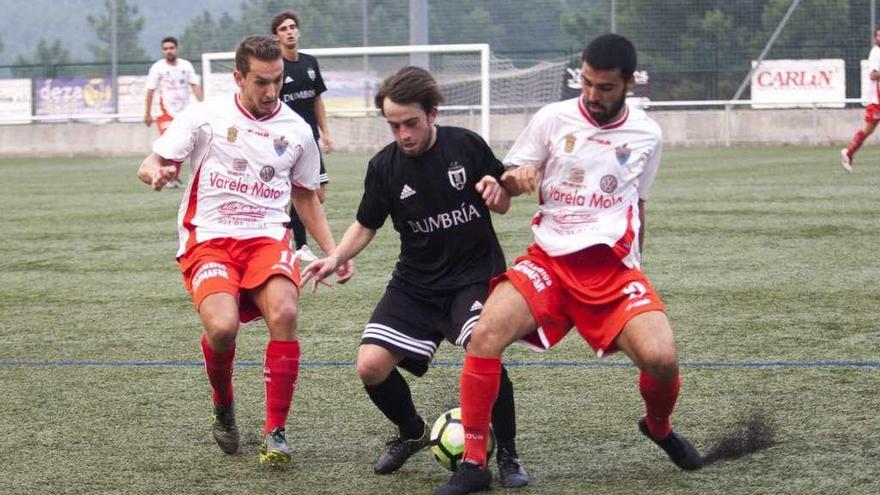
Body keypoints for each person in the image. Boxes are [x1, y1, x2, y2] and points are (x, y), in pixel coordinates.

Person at [434, 34, 702, 495]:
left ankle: (658, 426)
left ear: (629, 84)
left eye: (606, 88)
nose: (593, 96)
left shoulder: (647, 134)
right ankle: (474, 463)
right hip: (549, 262)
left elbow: (638, 202)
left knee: (661, 359)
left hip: (612, 270)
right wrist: (512, 182)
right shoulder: (552, 119)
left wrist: (637, 263)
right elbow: (510, 179)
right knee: (485, 335)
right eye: (588, 83)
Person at [302, 66, 529, 488]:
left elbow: (503, 196)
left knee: (485, 348)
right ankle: (411, 431)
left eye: (411, 123)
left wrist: (500, 195)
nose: (403, 134)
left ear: (433, 113)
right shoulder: (384, 167)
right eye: (394, 125)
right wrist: (334, 257)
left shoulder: (466, 146)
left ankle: (509, 454)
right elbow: (366, 224)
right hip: (415, 283)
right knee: (370, 366)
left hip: (473, 277)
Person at [137, 35, 353, 466]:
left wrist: (334, 252)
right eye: (260, 82)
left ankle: (275, 432)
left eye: (276, 81)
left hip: (267, 237)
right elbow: (151, 163)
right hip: (209, 238)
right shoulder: (203, 116)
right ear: (238, 77)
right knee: (222, 328)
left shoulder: (296, 129)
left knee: (286, 313)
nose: (271, 92)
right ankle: (223, 403)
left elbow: (306, 196)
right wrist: (157, 172)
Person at [271, 11, 332, 260]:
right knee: (295, 191)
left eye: (292, 27)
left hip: (310, 140)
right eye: (284, 28)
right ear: (276, 37)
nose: (290, 31)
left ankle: (290, 241)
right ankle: (300, 245)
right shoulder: (275, 68)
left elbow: (317, 100)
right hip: (284, 142)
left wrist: (325, 132)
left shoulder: (310, 63)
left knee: (318, 194)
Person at [144, 36, 203, 188]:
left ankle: (172, 177)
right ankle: (166, 176)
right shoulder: (158, 68)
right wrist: (147, 113)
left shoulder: (186, 66)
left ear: (176, 49)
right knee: (169, 144)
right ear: (163, 51)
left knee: (181, 145)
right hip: (166, 113)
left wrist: (203, 106)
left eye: (171, 48)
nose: (168, 51)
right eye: (165, 49)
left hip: (184, 113)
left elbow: (195, 86)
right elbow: (150, 90)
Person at [842, 27, 880, 172]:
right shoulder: (876, 53)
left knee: (868, 131)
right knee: (867, 130)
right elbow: (873, 75)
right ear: (875, 38)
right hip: (876, 101)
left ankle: (848, 153)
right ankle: (848, 152)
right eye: (878, 36)